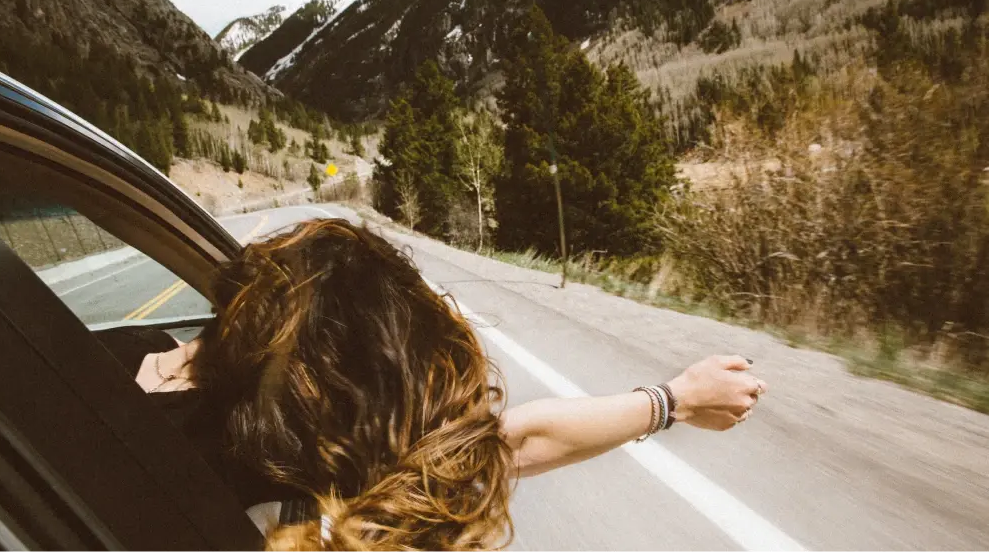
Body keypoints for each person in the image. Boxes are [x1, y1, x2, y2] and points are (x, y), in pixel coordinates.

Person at [109, 219, 766, 550]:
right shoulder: (305, 487)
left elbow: (509, 440)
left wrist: (673, 401)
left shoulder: (104, 370)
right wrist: (672, 402)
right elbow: (508, 442)